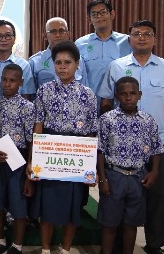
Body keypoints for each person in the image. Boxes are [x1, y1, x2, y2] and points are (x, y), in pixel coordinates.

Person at [98, 20, 164, 254]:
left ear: (155, 39)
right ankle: (120, 245)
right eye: (136, 34)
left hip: (159, 142)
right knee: (121, 193)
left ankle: (154, 244)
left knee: (156, 194)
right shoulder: (117, 66)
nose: (141, 37)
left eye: (147, 34)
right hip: (122, 146)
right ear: (129, 39)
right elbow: (106, 100)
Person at [27, 41, 98, 254]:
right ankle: (46, 248)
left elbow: (92, 132)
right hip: (49, 154)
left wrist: (91, 166)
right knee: (47, 206)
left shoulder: (88, 94)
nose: (63, 66)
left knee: (73, 207)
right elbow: (38, 125)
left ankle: (66, 249)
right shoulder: (44, 91)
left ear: (77, 64)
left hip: (76, 157)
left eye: (68, 62)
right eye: (58, 62)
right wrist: (32, 159)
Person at [97, 76, 164, 254]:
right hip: (114, 176)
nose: (128, 97)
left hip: (137, 178)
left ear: (139, 95)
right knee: (109, 223)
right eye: (124, 94)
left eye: (133, 93)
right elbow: (100, 150)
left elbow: (156, 148)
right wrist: (102, 178)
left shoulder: (148, 121)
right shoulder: (107, 120)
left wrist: (155, 171)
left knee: (131, 223)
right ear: (117, 96)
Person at [0, 64, 35, 254]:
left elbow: (31, 140)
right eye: (5, 79)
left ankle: (17, 245)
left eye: (13, 80)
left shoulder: (28, 107)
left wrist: (30, 166)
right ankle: (0, 241)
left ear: (21, 82)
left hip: (18, 161)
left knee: (18, 204)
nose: (7, 84)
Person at [75, 0, 131, 102]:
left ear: (112, 14)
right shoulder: (80, 44)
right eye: (94, 14)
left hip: (120, 104)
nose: (99, 16)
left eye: (103, 12)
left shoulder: (127, 42)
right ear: (89, 19)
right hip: (89, 102)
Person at [0, 20, 35, 99]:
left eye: (8, 35)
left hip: (14, 110)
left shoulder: (24, 65)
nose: (3, 40)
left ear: (14, 39)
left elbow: (26, 95)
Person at [29, 17, 88, 90]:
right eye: (53, 31)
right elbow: (30, 94)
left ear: (68, 34)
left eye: (61, 31)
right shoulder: (34, 62)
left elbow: (84, 88)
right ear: (45, 36)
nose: (58, 35)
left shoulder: (78, 59)